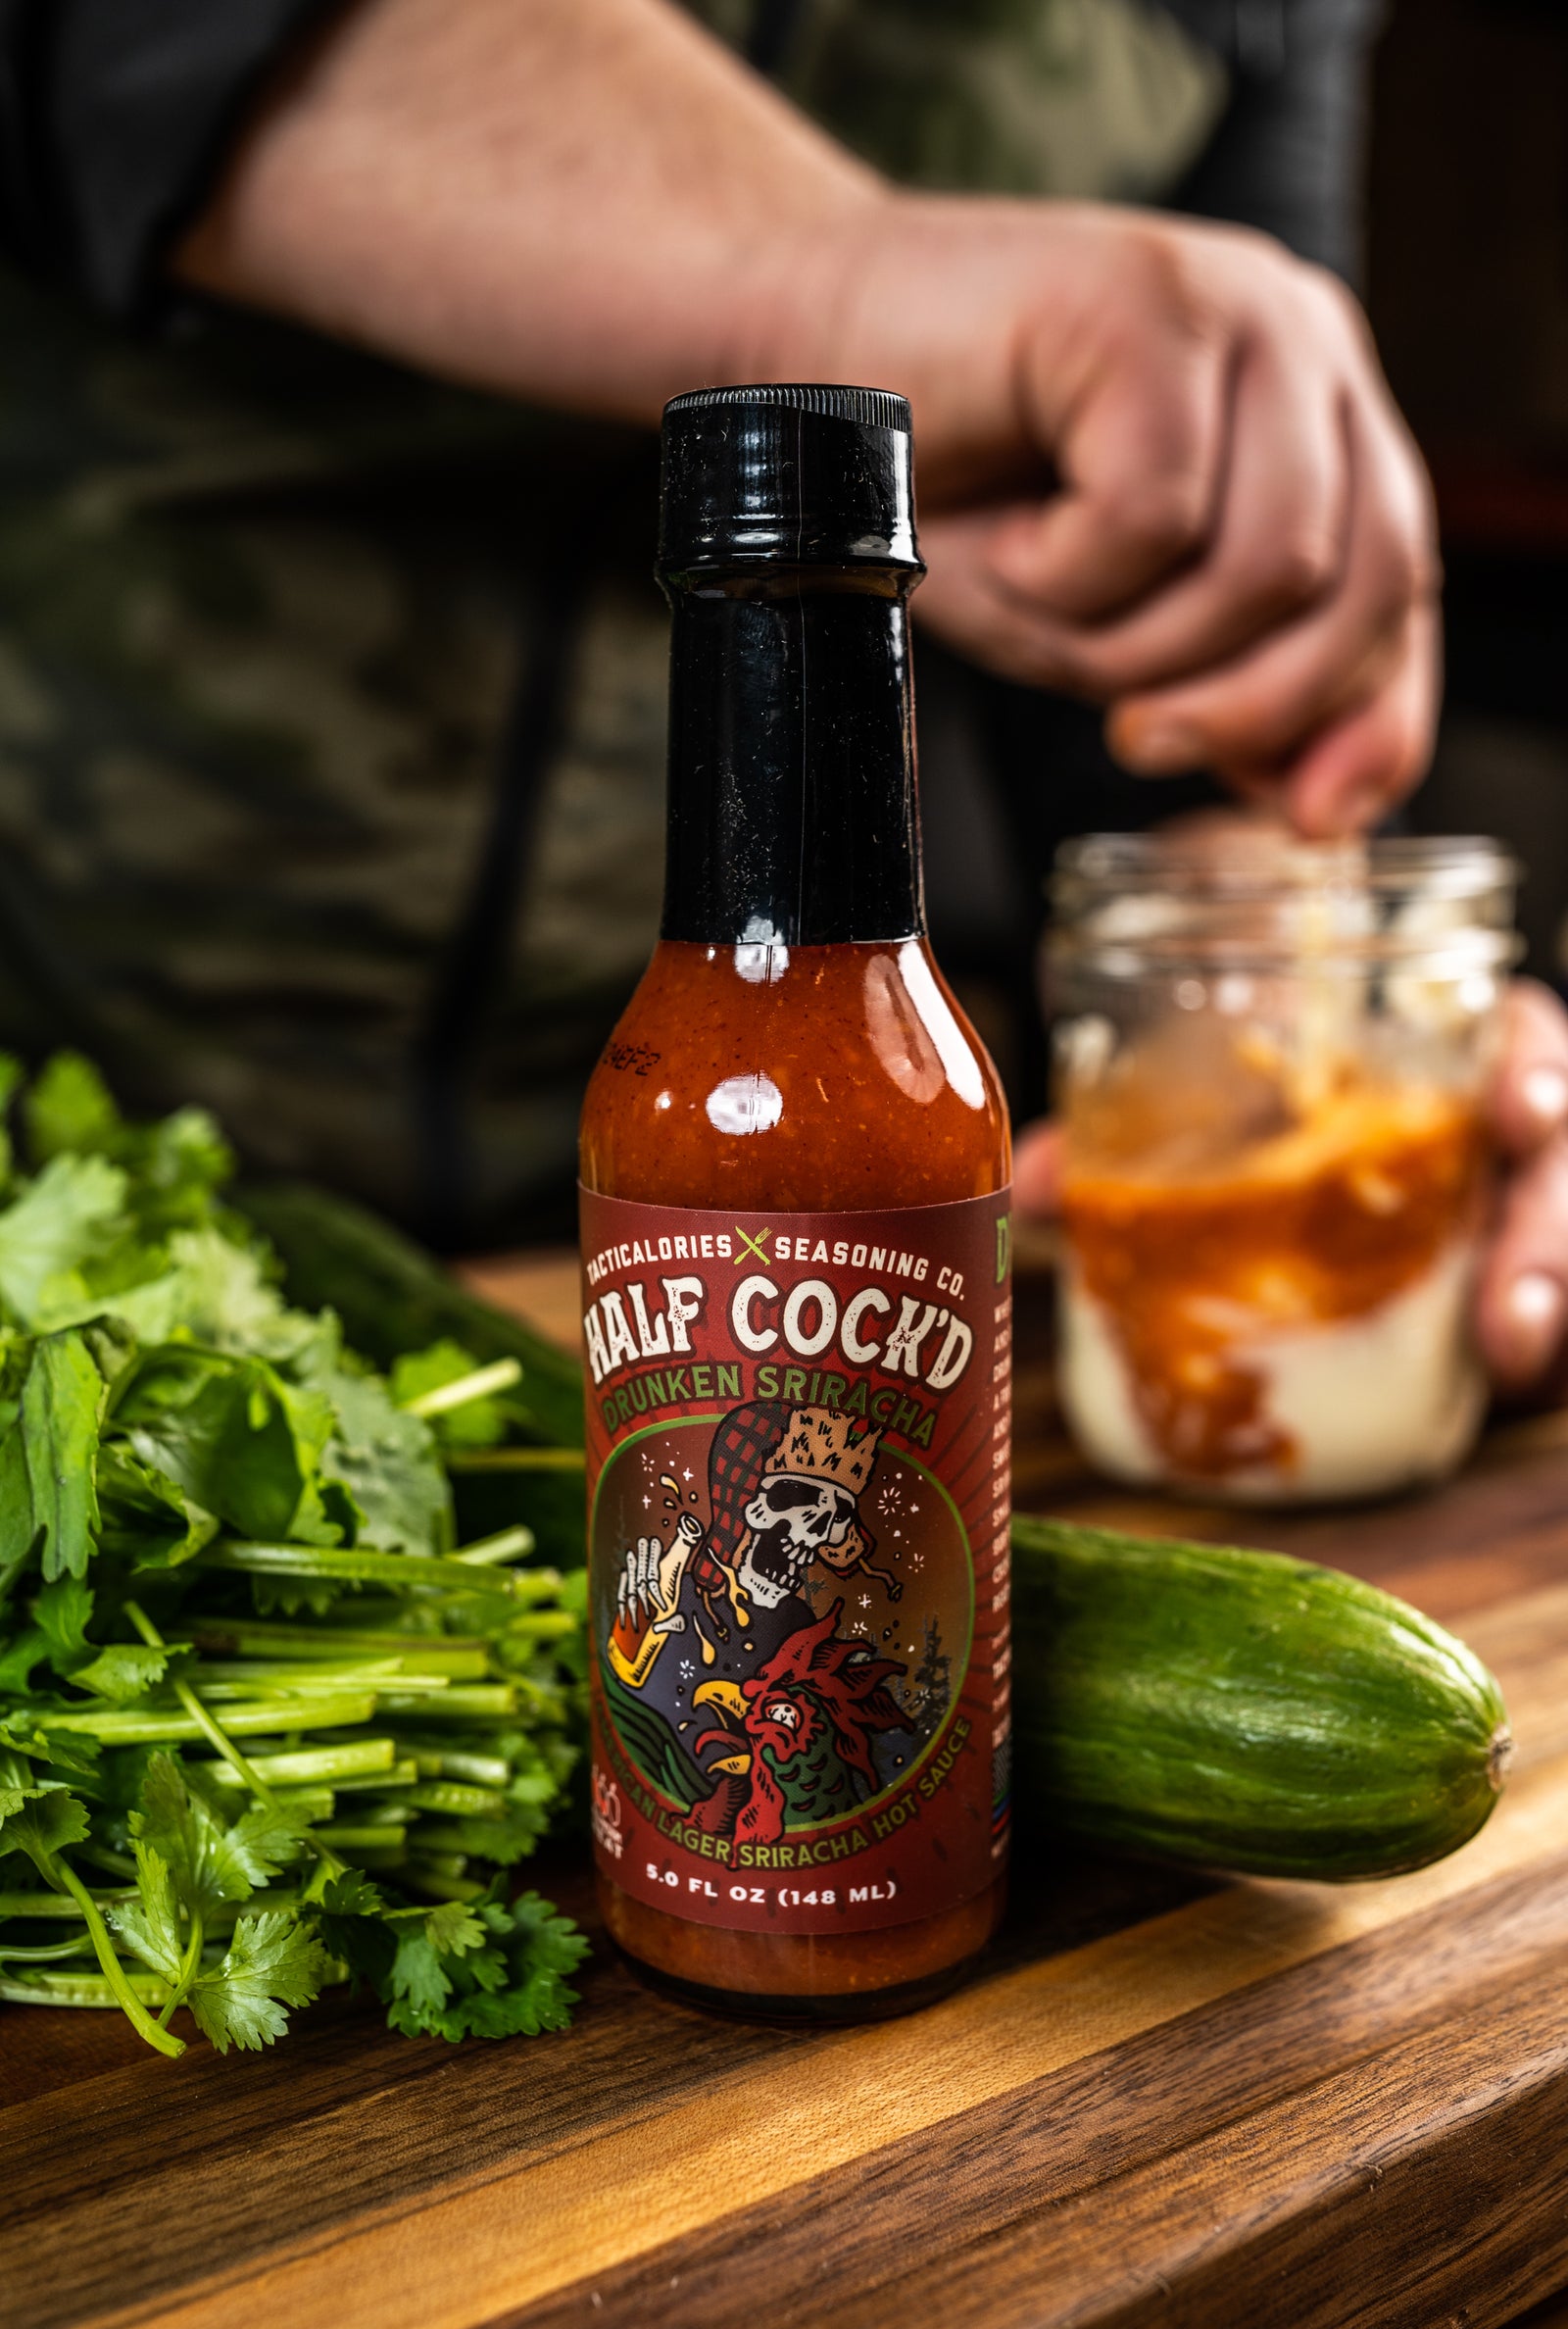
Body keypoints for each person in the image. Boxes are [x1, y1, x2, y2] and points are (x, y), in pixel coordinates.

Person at [0, 0, 1564, 1393]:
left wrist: (1320, 1059)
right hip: (102, 1175)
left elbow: (1174, 661)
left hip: (816, 1209)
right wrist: (845, 281)